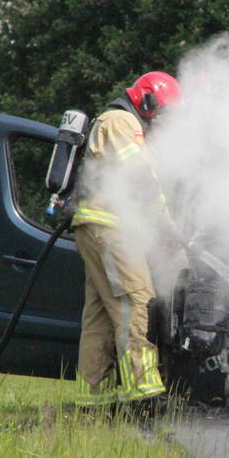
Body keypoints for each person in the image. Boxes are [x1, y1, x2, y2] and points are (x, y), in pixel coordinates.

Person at [71, 71, 184, 407]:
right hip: (111, 226)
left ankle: (93, 399)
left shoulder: (123, 126)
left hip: (99, 225)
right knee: (137, 299)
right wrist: (166, 227)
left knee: (99, 315)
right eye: (162, 113)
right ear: (146, 102)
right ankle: (145, 391)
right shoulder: (120, 121)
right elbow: (140, 180)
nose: (164, 122)